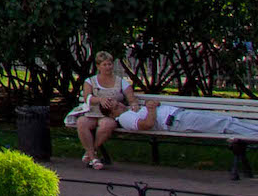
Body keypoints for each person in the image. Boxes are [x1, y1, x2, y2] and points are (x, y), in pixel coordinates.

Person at [76, 51, 136, 169]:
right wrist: (99, 99)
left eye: (109, 64)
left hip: (110, 114)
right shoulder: (90, 81)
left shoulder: (121, 81)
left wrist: (133, 105)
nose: (108, 67)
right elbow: (87, 98)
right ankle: (93, 158)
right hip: (93, 112)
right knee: (81, 122)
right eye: (104, 65)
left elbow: (131, 98)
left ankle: (91, 152)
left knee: (106, 124)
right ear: (98, 66)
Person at [119, 101, 258, 139]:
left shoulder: (130, 110)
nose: (118, 102)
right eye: (113, 102)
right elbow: (147, 124)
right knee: (225, 124)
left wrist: (153, 105)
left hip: (180, 115)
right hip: (176, 121)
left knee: (227, 121)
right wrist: (151, 108)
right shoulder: (125, 117)